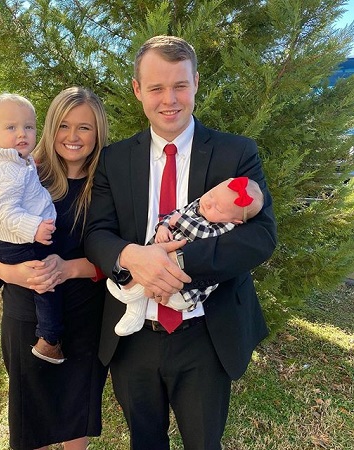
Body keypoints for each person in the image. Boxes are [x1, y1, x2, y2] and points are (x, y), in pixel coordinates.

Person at [84, 35, 277, 450]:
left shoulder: (236, 153)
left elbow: (261, 238)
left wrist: (176, 262)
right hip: (132, 337)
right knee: (145, 442)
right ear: (138, 90)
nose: (169, 99)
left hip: (206, 334)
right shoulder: (114, 160)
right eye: (155, 87)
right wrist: (133, 256)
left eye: (180, 85)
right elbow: (96, 234)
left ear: (196, 84)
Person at [0, 87, 109, 450]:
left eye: (85, 127)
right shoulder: (25, 173)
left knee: (74, 411)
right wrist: (7, 273)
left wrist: (70, 269)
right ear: (50, 128)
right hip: (27, 314)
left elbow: (118, 254)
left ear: (98, 133)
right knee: (30, 415)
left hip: (85, 315)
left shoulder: (108, 184)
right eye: (64, 125)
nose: (72, 136)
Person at [0, 93, 65, 364]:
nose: (22, 134)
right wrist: (34, 228)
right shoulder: (10, 169)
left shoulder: (10, 163)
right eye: (11, 128)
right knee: (44, 285)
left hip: (6, 241)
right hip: (22, 240)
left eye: (28, 127)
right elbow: (5, 208)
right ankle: (49, 340)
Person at [106, 176, 264, 336]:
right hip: (158, 259)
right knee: (149, 262)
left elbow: (204, 235)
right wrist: (163, 227)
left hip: (183, 290)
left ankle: (131, 293)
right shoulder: (199, 205)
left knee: (158, 281)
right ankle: (135, 314)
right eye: (211, 195)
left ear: (235, 221)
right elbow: (173, 214)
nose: (209, 203)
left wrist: (179, 221)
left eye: (218, 208)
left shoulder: (224, 227)